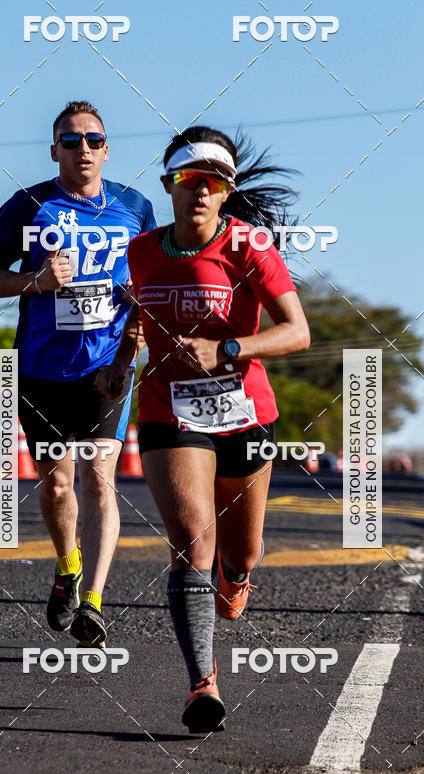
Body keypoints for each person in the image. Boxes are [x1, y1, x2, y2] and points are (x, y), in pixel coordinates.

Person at [98, 126, 309, 732]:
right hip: (170, 410)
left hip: (245, 412)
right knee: (193, 541)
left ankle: (236, 579)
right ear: (169, 185)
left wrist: (230, 348)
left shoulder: (249, 247)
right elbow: (137, 316)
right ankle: (202, 686)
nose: (199, 190)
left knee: (240, 553)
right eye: (187, 180)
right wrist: (119, 364)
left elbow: (298, 332)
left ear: (226, 191)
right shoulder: (140, 252)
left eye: (211, 182)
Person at [0, 100, 156, 645]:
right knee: (56, 485)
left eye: (93, 140)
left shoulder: (134, 206)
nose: (83, 149)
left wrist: (133, 338)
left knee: (100, 476)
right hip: (41, 370)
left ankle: (94, 601)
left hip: (107, 367)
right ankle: (67, 566)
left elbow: (149, 284)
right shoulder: (29, 206)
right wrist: (35, 283)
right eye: (71, 141)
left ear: (106, 147)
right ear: (54, 151)